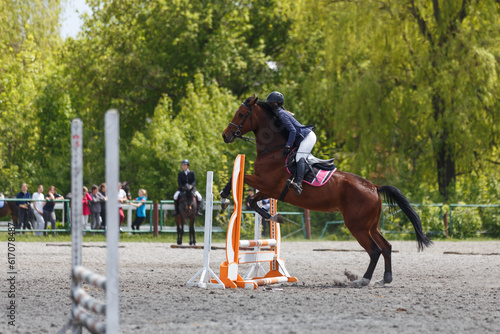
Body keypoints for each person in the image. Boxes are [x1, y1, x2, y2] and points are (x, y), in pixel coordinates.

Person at [265, 91, 316, 195]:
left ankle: (299, 184)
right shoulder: (279, 114)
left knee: (299, 157)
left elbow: (293, 131)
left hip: (307, 137)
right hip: (301, 137)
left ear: (275, 104)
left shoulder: (281, 114)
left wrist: (288, 146)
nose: (268, 105)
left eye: (270, 103)